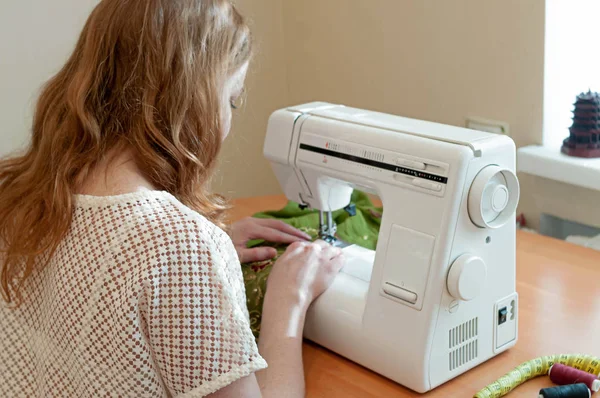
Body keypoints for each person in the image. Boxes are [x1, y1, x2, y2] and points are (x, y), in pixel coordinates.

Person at [0, 1, 345, 397]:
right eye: (230, 100)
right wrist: (289, 302)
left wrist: (195, 263)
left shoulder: (17, 194)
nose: (229, 119)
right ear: (193, 99)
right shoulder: (180, 245)